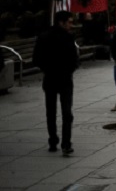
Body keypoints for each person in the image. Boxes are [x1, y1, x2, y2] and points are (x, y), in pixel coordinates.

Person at [32, 10, 79, 155]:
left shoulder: (45, 36)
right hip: (63, 79)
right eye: (69, 22)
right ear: (61, 22)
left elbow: (36, 59)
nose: (71, 25)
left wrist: (47, 69)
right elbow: (74, 59)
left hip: (51, 78)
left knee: (51, 112)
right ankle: (65, 143)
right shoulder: (65, 37)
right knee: (66, 112)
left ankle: (53, 140)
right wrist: (69, 69)